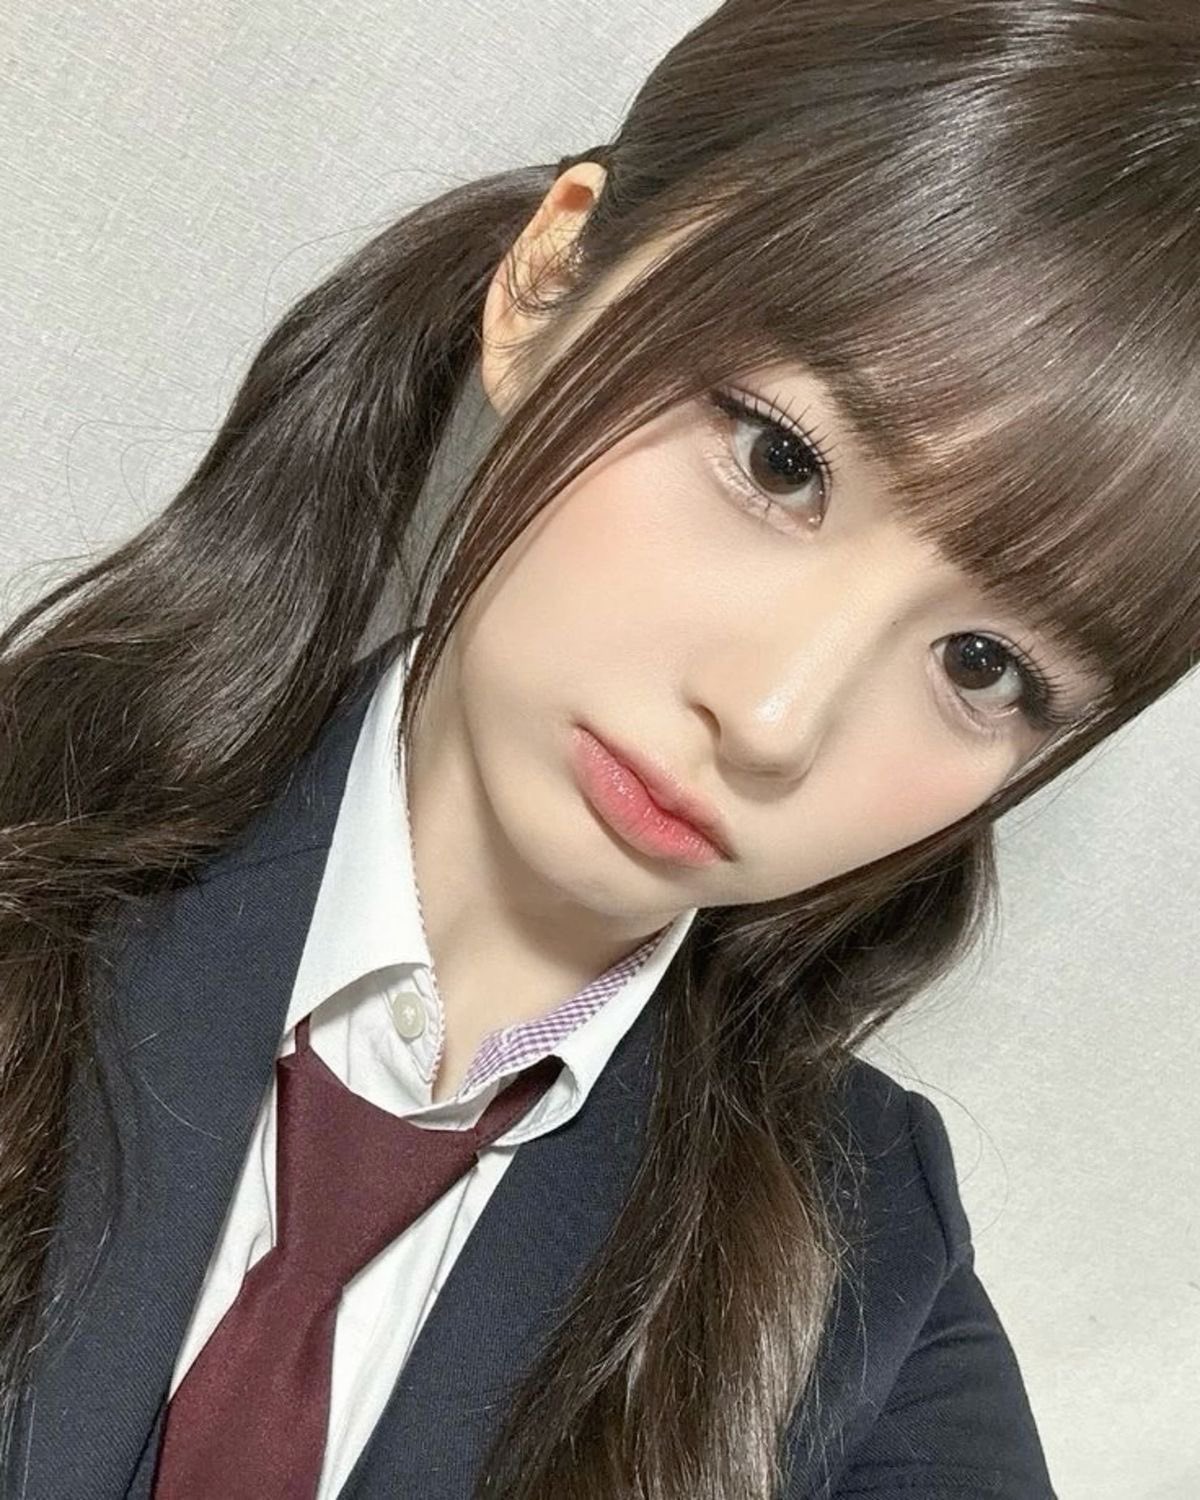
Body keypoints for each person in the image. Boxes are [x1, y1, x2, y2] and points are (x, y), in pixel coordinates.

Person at [2, 1, 1196, 1496]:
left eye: (983, 665)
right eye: (779, 460)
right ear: (552, 276)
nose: (773, 719)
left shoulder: (863, 1269)